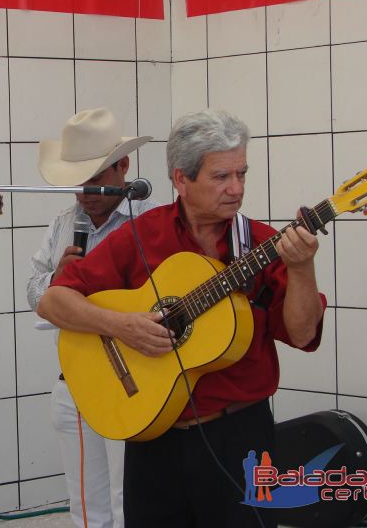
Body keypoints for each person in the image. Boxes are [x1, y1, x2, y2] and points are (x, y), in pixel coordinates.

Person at [38, 110, 325, 527]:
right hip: (154, 436)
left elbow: (302, 333)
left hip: (239, 436)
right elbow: (54, 301)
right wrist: (122, 326)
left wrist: (302, 267)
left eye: (241, 174)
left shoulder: (262, 244)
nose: (236, 188)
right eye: (221, 177)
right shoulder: (142, 234)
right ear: (181, 180)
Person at [27, 107, 157, 528]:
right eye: (77, 179)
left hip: (135, 378)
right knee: (85, 506)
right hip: (74, 378)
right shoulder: (65, 222)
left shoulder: (151, 223)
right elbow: (33, 291)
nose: (84, 190)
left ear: (124, 167)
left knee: (131, 501)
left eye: (96, 177)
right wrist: (56, 281)